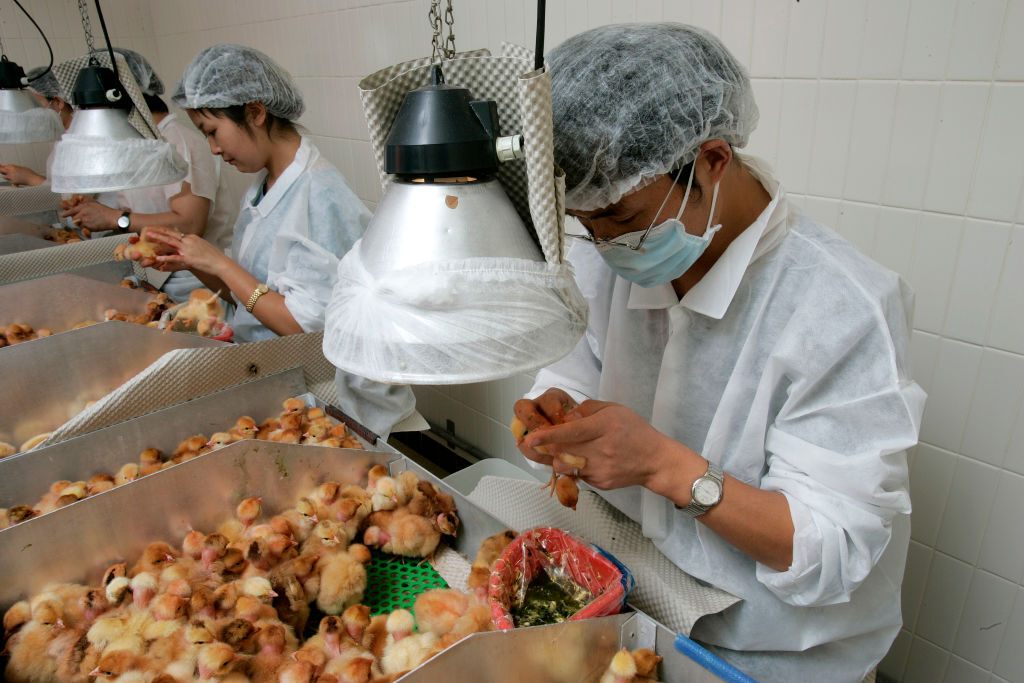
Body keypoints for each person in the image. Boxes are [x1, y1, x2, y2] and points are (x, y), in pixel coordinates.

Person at [514, 24, 925, 683]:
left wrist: (660, 464)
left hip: (773, 656)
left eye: (621, 220)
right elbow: (580, 361)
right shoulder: (614, 256)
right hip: (637, 600)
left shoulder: (841, 309)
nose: (607, 244)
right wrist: (557, 410)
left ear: (711, 159)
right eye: (586, 225)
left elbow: (830, 549)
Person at [137, 44, 415, 437]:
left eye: (213, 132)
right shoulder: (265, 187)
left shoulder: (319, 195)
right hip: (278, 375)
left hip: (335, 403)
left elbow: (302, 325)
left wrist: (219, 263)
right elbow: (249, 297)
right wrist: (196, 262)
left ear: (255, 112)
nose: (214, 150)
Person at [55, 48, 236, 302]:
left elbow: (190, 224)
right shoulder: (137, 145)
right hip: (155, 276)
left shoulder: (181, 142)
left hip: (194, 284)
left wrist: (116, 219)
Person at [0, 67, 71, 187]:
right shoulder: (64, 139)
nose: (33, 113)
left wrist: (30, 178)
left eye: (36, 105)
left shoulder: (83, 139)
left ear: (58, 102)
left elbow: (75, 196)